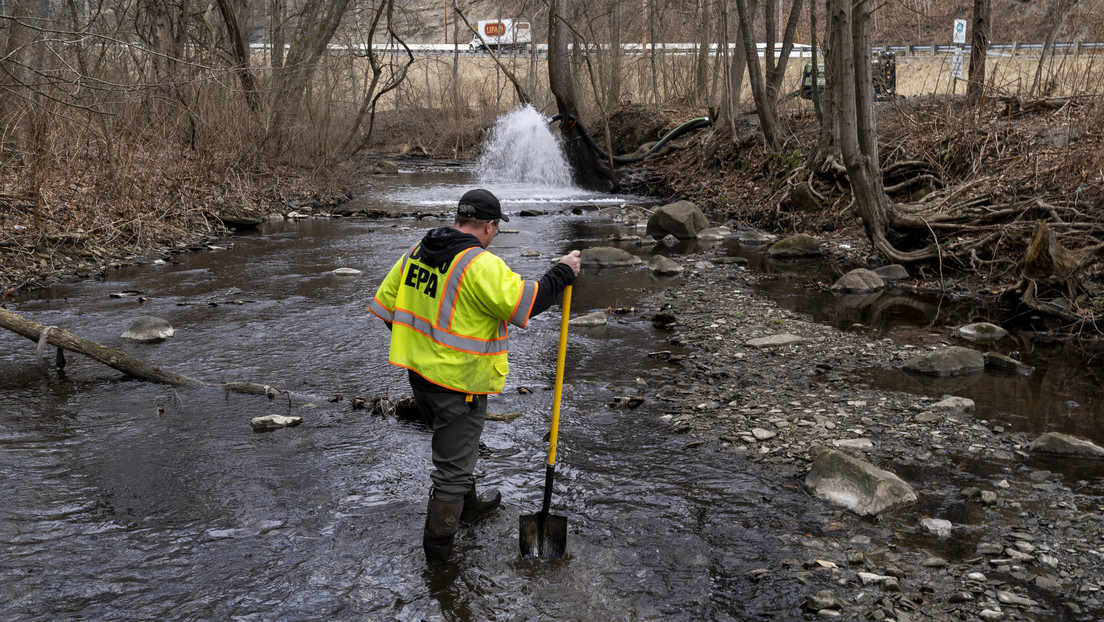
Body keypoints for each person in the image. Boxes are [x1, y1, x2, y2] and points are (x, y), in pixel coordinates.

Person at [368, 188, 582, 564]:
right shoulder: (479, 265)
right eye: (495, 228)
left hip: (420, 378)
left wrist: (426, 350)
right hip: (458, 386)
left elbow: (386, 308)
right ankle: (439, 560)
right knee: (450, 473)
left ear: (459, 219)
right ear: (489, 226)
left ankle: (470, 509)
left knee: (457, 454)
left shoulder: (420, 249)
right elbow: (526, 303)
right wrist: (563, 271)